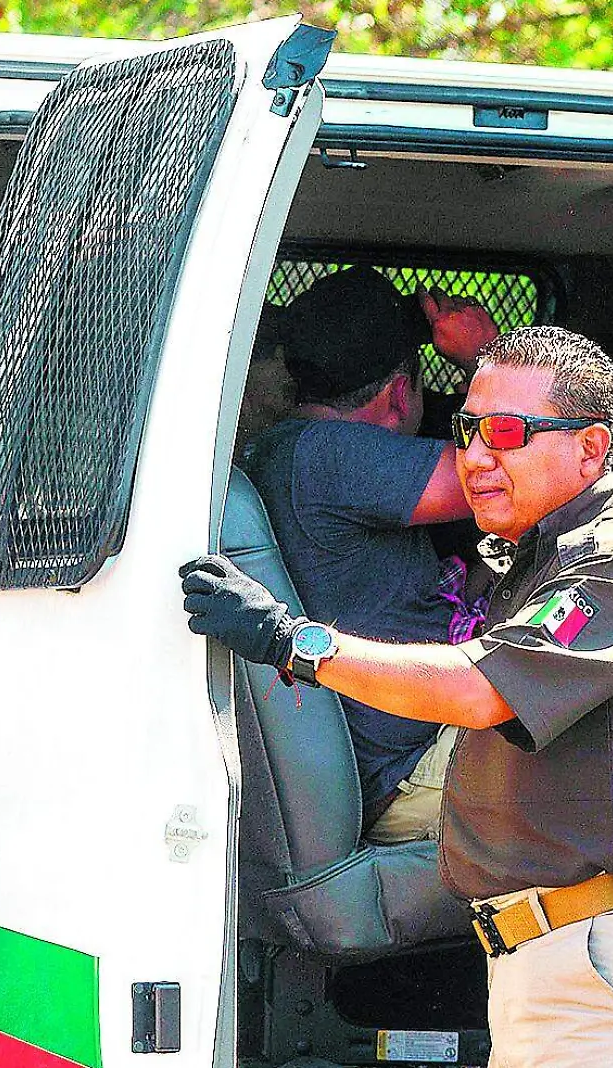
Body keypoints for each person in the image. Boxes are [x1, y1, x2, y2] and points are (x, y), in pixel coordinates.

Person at [187, 326, 613, 1068]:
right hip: (549, 954)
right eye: (468, 430)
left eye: (507, 433)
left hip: (604, 959)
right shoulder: (537, 556)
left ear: (592, 450)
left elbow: (477, 688)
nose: (475, 457)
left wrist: (293, 641)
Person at [240, 266, 498, 836]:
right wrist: (489, 354)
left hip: (408, 752)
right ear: (402, 392)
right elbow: (526, 475)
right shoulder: (336, 455)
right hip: (419, 767)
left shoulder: (285, 452)